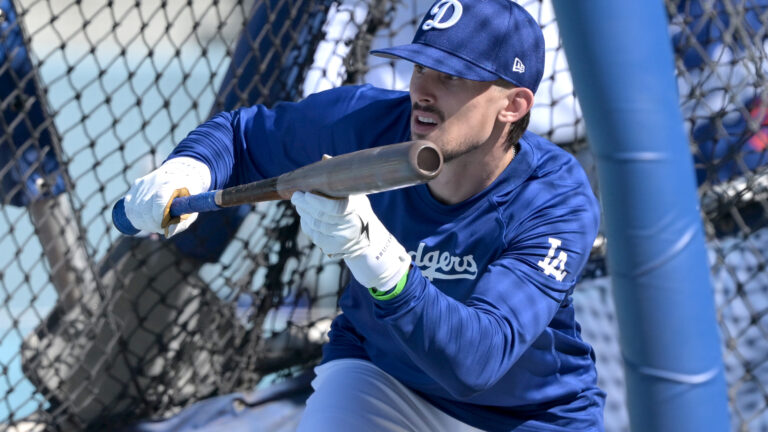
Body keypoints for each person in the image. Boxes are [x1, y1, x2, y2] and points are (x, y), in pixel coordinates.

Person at [123, 0, 605, 430]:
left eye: (451, 77)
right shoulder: (368, 123)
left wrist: (377, 257)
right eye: (420, 68)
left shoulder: (555, 198)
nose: (423, 92)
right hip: (382, 378)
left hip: (527, 417)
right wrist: (186, 169)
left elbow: (476, 361)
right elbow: (243, 137)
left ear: (513, 105)